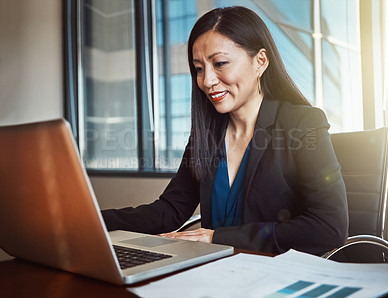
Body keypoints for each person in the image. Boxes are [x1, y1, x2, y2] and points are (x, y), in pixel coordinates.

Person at [102, 6, 348, 255]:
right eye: (199, 68)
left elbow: (329, 226)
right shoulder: (206, 135)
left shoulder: (303, 124)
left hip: (280, 276)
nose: (207, 81)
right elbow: (168, 211)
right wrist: (93, 219)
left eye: (219, 63)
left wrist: (217, 238)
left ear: (260, 61)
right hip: (218, 273)